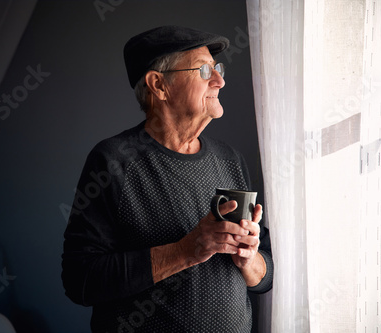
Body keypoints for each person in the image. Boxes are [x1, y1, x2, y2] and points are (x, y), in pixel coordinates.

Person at [62, 25, 273, 332]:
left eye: (218, 69)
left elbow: (267, 275)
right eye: (204, 70)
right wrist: (186, 250)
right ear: (159, 85)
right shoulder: (114, 160)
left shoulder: (230, 159)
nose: (220, 80)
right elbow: (80, 281)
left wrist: (248, 259)